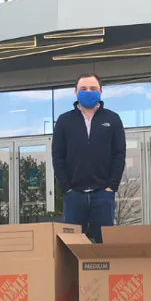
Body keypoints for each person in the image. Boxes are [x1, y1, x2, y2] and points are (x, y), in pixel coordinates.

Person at [52, 74, 126, 243]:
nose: (88, 92)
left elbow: (119, 154)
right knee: (72, 248)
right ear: (75, 92)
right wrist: (66, 188)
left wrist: (111, 187)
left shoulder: (112, 119)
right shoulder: (64, 121)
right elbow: (58, 156)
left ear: (100, 91)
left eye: (93, 89)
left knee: (105, 246)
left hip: (103, 194)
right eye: (83, 89)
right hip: (74, 195)